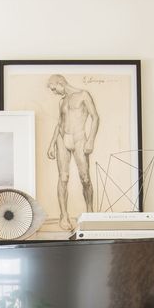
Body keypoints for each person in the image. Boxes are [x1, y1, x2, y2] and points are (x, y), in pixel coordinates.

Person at [47, 74, 100, 230]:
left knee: (85, 178)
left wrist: (91, 140)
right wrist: (51, 145)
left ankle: (90, 212)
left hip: (79, 138)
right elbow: (59, 123)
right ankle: (64, 216)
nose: (54, 92)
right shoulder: (62, 101)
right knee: (63, 177)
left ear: (60, 83)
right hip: (62, 138)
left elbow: (95, 117)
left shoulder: (83, 95)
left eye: (54, 88)